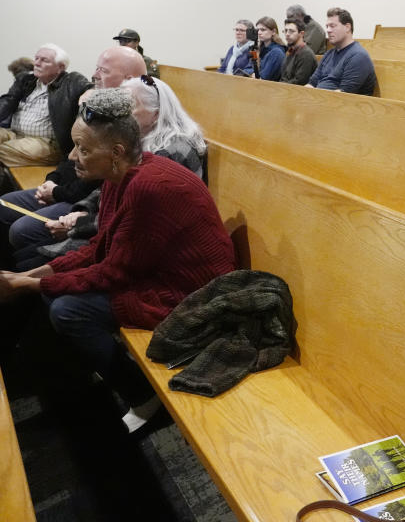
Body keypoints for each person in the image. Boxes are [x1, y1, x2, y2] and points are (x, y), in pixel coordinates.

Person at [0, 89, 236, 432]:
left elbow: (114, 270)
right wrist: (33, 274)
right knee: (47, 286)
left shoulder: (148, 187)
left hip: (191, 292)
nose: (72, 156)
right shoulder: (119, 175)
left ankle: (144, 396)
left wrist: (27, 284)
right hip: (157, 271)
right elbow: (99, 248)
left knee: (68, 310)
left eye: (83, 148)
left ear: (116, 152)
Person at [26, 77, 208, 269]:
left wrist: (80, 224)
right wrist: (84, 210)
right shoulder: (137, 137)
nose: (121, 118)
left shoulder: (173, 151)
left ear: (156, 114)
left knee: (31, 258)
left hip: (145, 243)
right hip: (109, 223)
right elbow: (109, 186)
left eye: (129, 110)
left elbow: (137, 217)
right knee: (28, 251)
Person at [0, 47, 143, 261]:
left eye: (102, 70)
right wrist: (52, 180)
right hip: (67, 188)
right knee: (4, 205)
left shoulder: (129, 121)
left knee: (22, 234)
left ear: (128, 79)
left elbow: (99, 184)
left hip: (80, 200)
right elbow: (73, 154)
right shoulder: (95, 102)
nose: (94, 75)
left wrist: (59, 194)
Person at [0, 44, 91, 166]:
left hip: (46, 143)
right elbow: (7, 101)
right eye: (36, 58)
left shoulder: (71, 81)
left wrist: (90, 91)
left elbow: (90, 88)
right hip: (14, 134)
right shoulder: (26, 80)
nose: (36, 63)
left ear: (60, 67)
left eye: (44, 60)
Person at [307, 8, 377, 96]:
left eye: (332, 26)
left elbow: (342, 96)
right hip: (319, 101)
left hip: (342, 106)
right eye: (327, 26)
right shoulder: (329, 54)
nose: (328, 30)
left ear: (347, 27)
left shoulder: (358, 56)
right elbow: (312, 83)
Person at [280, 18, 318, 85]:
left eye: (291, 31)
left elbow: (299, 82)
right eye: (285, 31)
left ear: (301, 33)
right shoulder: (291, 52)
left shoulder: (306, 54)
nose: (287, 34)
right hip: (285, 89)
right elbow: (283, 77)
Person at [254, 17, 287, 81]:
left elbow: (264, 77)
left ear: (273, 32)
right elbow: (250, 67)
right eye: (258, 30)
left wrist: (254, 74)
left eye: (263, 30)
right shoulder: (260, 49)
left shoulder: (277, 52)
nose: (259, 33)